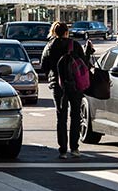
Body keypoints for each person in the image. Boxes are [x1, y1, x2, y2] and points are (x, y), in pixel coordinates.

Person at [41, 22, 87, 159]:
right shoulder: (75, 45)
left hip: (58, 85)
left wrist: (52, 75)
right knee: (75, 116)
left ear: (54, 32)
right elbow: (83, 63)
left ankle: (62, 150)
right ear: (67, 32)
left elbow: (44, 65)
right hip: (75, 85)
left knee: (61, 117)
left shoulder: (50, 46)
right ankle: (75, 148)